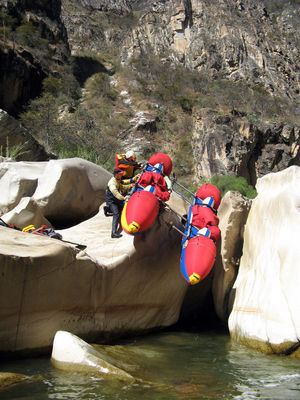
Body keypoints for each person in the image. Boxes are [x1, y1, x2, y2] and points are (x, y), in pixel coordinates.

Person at [105, 168, 140, 238]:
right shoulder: (112, 183)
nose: (122, 175)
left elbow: (122, 185)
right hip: (112, 201)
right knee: (116, 214)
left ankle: (108, 209)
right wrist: (124, 198)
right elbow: (116, 194)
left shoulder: (117, 180)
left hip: (116, 200)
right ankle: (113, 233)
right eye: (120, 174)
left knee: (122, 209)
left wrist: (131, 183)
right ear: (116, 175)